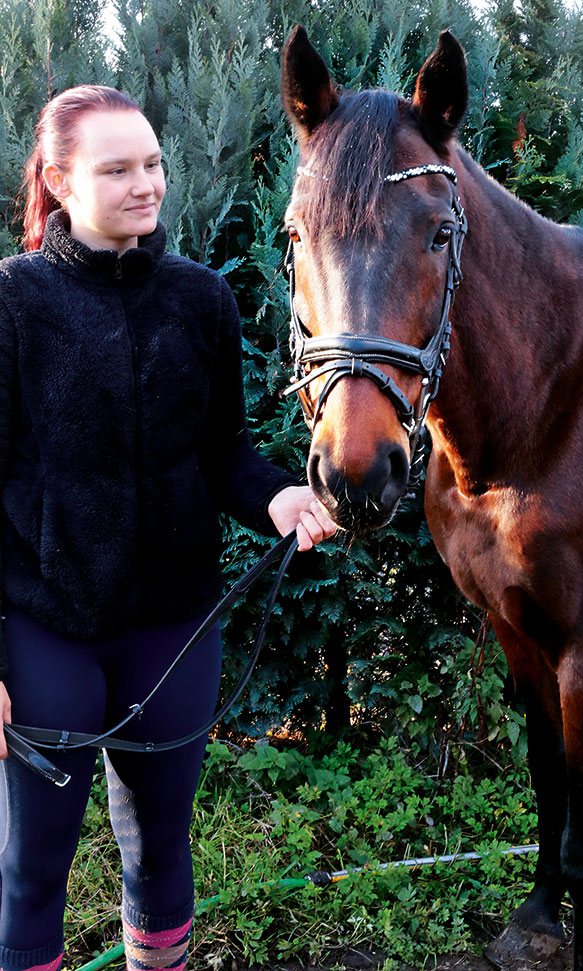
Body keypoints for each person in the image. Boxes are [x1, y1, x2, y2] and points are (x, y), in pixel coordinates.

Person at [0, 85, 335, 971]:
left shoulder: (202, 299)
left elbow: (222, 451)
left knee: (160, 850)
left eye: (153, 162)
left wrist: (278, 498)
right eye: (117, 168)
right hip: (45, 630)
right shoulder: (12, 303)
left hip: (174, 628)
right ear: (59, 181)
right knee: (32, 868)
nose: (147, 184)